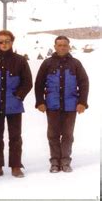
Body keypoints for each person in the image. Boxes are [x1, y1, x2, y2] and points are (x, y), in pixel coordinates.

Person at [0, 30, 33, 178]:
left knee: (15, 137)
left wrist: (18, 96)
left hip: (14, 105)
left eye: (7, 41)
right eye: (1, 41)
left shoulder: (20, 60)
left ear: (12, 42)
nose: (4, 44)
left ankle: (16, 166)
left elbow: (27, 82)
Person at [34, 35, 89, 173]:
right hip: (52, 106)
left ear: (69, 47)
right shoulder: (47, 63)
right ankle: (54, 162)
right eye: (59, 45)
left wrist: (82, 102)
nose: (62, 47)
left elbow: (84, 83)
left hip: (71, 106)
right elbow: (39, 83)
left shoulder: (76, 63)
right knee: (53, 134)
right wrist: (40, 101)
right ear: (55, 47)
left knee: (68, 135)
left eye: (65, 45)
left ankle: (65, 161)